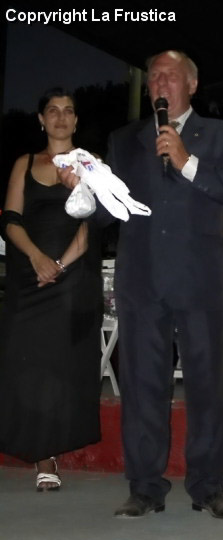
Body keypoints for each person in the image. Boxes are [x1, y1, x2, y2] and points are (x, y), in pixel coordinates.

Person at [59, 50, 223, 518]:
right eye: (153, 77)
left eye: (169, 76)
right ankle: (145, 487)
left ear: (191, 84)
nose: (159, 84)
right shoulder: (124, 139)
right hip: (142, 281)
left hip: (202, 281)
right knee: (142, 385)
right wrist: (83, 190)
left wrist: (188, 162)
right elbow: (110, 213)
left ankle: (208, 487)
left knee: (207, 386)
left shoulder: (222, 134)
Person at [0, 88, 102, 491]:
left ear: (76, 120)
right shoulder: (24, 163)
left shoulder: (91, 164)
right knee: (23, 359)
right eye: (53, 110)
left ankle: (47, 455)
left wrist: (59, 264)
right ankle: (29, 443)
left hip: (72, 278)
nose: (61, 117)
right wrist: (37, 259)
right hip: (29, 276)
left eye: (68, 111)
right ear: (41, 119)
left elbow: (93, 225)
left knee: (59, 365)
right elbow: (10, 219)